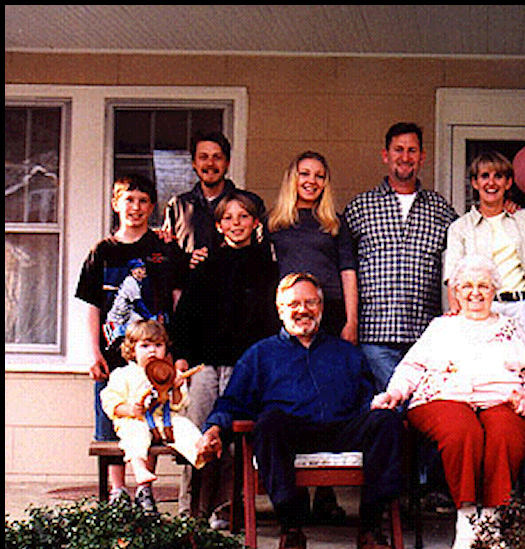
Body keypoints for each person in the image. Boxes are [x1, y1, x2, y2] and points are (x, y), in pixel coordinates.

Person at [198, 273, 405, 549]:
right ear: (280, 310)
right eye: (293, 303)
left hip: (342, 429)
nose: (302, 309)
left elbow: (366, 399)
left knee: (386, 422)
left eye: (310, 302)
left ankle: (371, 530)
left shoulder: (346, 352)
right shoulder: (260, 354)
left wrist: (380, 405)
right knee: (268, 422)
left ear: (321, 307)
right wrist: (215, 428)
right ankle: (292, 531)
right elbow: (232, 401)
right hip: (292, 433)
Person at [371, 255, 525, 549]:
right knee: (462, 429)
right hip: (443, 396)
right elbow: (411, 367)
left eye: (483, 286)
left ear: (495, 290)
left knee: (506, 430)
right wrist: (394, 394)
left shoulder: (510, 327)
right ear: (455, 291)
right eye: (466, 286)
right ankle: (467, 520)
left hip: (500, 397)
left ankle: (491, 521)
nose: (475, 293)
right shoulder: (442, 328)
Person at [169, 192, 280, 528]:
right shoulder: (206, 268)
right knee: (199, 434)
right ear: (218, 226)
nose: (236, 224)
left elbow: (271, 323)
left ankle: (226, 507)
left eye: (243, 217)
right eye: (228, 219)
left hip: (244, 366)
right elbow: (185, 317)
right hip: (204, 364)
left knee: (233, 437)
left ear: (255, 222)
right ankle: (191, 508)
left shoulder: (267, 268)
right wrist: (182, 357)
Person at [75, 174, 187, 502]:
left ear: (151, 207)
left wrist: (176, 351)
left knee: (148, 418)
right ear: (116, 204)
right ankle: (117, 491)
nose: (135, 207)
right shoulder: (102, 252)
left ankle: (144, 490)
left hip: (155, 356)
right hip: (113, 354)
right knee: (112, 421)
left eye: (142, 201)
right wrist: (94, 352)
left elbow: (178, 302)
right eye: (128, 200)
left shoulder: (164, 249)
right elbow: (94, 306)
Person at [343, 122, 460, 390]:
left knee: (419, 413)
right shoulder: (360, 207)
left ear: (422, 157)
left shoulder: (440, 209)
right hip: (375, 335)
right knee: (389, 412)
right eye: (398, 150)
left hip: (425, 336)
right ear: (385, 155)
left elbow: (462, 259)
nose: (405, 157)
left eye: (411, 150)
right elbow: (345, 267)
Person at [100, 320, 211, 514]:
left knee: (184, 425)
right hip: (136, 420)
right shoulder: (123, 374)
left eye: (158, 345)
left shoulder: (168, 373)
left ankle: (199, 450)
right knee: (135, 435)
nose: (152, 351)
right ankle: (139, 468)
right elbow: (110, 401)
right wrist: (129, 409)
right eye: (145, 346)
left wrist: (176, 387)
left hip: (164, 420)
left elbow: (179, 405)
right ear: (132, 350)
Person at [444, 151, 525, 346]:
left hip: (521, 308)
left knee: (523, 369)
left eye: (498, 176)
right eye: (484, 176)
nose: (491, 183)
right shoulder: (461, 227)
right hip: (480, 308)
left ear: (508, 183)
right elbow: (452, 279)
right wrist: (458, 317)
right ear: (474, 183)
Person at [267, 151, 357, 342]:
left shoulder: (335, 222)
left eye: (319, 176)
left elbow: (348, 272)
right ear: (293, 178)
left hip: (330, 309)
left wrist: (351, 322)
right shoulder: (274, 222)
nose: (312, 181)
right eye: (304, 174)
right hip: (290, 311)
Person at [160, 131, 267, 257]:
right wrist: (188, 260)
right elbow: (168, 253)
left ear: (227, 163)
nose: (210, 163)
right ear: (194, 163)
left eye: (217, 157)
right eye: (203, 157)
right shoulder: (178, 206)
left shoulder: (250, 203)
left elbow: (263, 250)